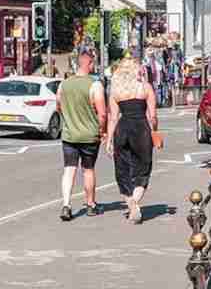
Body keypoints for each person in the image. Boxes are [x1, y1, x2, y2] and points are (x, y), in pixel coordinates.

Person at [57, 47, 108, 222]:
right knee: (88, 170)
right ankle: (91, 204)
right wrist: (103, 131)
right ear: (89, 63)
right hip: (89, 136)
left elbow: (58, 106)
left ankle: (66, 204)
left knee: (69, 170)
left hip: (69, 135)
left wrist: (68, 118)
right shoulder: (95, 85)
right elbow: (102, 114)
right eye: (93, 62)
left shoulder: (64, 84)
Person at [106, 57, 158, 224]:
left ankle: (130, 203)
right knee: (143, 168)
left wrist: (108, 140)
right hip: (141, 129)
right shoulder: (146, 88)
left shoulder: (116, 91)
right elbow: (153, 117)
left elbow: (113, 118)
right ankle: (135, 202)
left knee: (123, 168)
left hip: (122, 129)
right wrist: (155, 130)